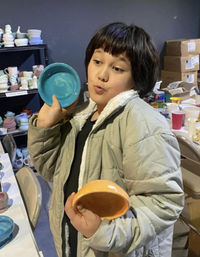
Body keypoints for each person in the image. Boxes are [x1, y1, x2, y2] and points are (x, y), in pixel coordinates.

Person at [28, 22, 184, 257]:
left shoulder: (144, 125)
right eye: (97, 61)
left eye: (118, 68)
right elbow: (52, 172)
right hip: (75, 243)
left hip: (111, 248)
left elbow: (164, 204)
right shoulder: (82, 114)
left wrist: (103, 232)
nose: (101, 75)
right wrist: (46, 127)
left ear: (136, 77)